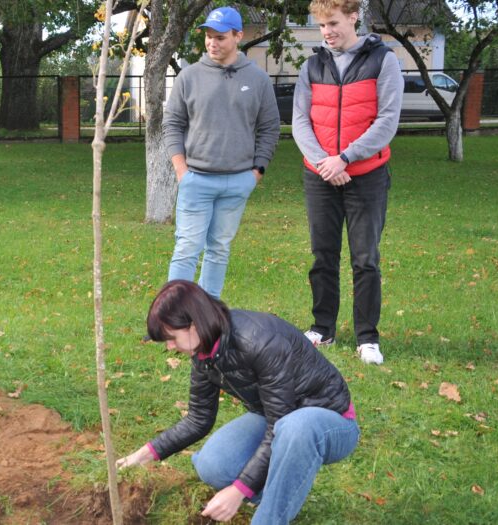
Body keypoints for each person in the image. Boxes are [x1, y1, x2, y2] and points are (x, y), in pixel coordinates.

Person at [118, 280, 359, 524]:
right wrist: (143, 455)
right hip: (275, 415)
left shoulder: (261, 342)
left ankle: (270, 516)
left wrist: (239, 490)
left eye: (171, 338)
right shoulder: (204, 349)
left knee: (294, 429)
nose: (170, 347)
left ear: (194, 324)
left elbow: (280, 425)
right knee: (212, 465)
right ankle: (280, 492)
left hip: (328, 421)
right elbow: (199, 418)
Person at [292, 0, 403, 365]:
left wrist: (346, 158)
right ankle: (322, 328)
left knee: (365, 259)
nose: (327, 32)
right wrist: (326, 163)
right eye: (322, 25)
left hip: (366, 176)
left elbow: (387, 121)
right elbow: (300, 122)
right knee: (323, 256)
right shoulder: (312, 65)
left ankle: (367, 338)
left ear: (354, 17)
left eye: (333, 23)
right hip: (320, 176)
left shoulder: (383, 60)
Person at [163, 6, 280, 299]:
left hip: (238, 182)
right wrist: (181, 170)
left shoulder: (258, 79)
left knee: (219, 249)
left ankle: (209, 313)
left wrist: (257, 171)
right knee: (187, 248)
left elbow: (269, 128)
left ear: (238, 36)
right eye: (208, 37)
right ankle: (173, 316)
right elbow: (172, 124)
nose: (212, 43)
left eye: (220, 37)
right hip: (196, 179)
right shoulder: (189, 76)